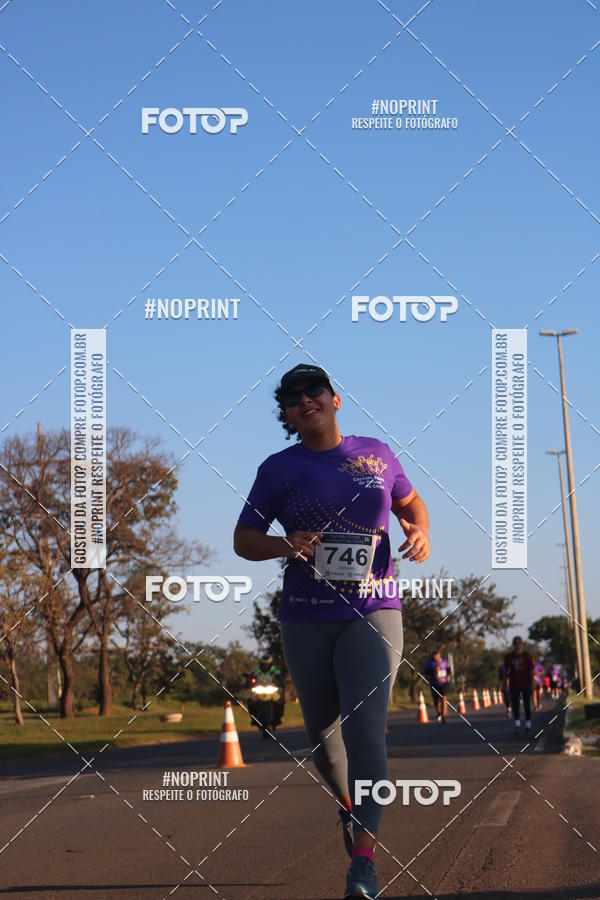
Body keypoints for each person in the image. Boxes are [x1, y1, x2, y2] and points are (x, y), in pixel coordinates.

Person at [233, 363, 431, 900]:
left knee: (366, 730)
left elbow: (412, 504)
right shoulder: (278, 469)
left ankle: (363, 861)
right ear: (289, 416)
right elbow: (244, 538)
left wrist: (421, 530)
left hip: (374, 608)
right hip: (306, 615)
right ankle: (350, 809)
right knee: (323, 740)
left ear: (335, 398)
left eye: (312, 390)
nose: (304, 400)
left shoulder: (378, 454)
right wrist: (283, 543)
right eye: (292, 398)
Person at [502, 637, 535, 734]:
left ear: (522, 644)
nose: (517, 645)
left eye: (519, 643)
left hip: (526, 683)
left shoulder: (527, 655)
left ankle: (528, 724)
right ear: (513, 645)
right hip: (514, 684)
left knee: (527, 704)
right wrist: (504, 684)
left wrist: (533, 684)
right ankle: (517, 724)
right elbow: (505, 671)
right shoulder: (509, 656)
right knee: (515, 704)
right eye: (516, 644)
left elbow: (532, 671)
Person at [424, 650, 451, 722]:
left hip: (443, 683)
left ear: (439, 655)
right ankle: (439, 712)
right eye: (434, 656)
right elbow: (426, 672)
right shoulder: (430, 663)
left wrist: (448, 675)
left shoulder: (444, 661)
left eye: (437, 655)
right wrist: (433, 670)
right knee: (436, 701)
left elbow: (448, 669)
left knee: (443, 698)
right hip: (434, 683)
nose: (436, 657)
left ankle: (444, 716)